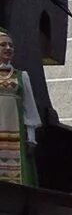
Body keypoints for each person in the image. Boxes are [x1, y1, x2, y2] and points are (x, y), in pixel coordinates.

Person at [0, 28, 40, 186]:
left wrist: (31, 138)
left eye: (11, 45)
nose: (8, 48)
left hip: (15, 135)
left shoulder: (21, 76)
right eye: (3, 45)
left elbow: (29, 108)